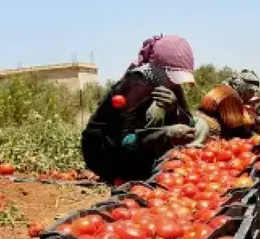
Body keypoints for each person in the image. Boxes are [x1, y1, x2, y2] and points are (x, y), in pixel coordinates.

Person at [81, 35, 197, 183]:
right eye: (173, 77)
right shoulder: (136, 85)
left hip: (138, 145)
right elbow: (127, 141)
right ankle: (131, 179)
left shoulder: (171, 84)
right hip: (104, 150)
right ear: (159, 69)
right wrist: (165, 133)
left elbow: (191, 124)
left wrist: (175, 109)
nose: (175, 83)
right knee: (157, 112)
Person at [193, 70, 260, 142]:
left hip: (201, 128)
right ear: (242, 87)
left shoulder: (224, 90)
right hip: (207, 134)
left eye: (254, 92)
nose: (253, 95)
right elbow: (236, 129)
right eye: (251, 91)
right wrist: (253, 137)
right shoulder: (231, 96)